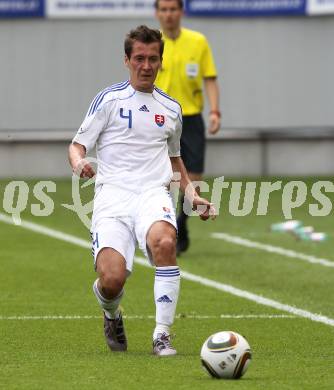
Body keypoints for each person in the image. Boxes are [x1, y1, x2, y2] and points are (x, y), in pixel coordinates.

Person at [68, 25, 215, 356]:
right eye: (139, 58)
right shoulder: (108, 100)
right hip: (112, 197)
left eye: (153, 59)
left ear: (161, 62)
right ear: (126, 60)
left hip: (152, 194)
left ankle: (162, 334)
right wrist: (79, 164)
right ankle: (111, 312)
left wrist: (192, 195)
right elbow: (77, 146)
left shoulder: (172, 109)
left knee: (164, 242)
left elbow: (175, 159)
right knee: (111, 280)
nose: (146, 65)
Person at [155, 0, 220, 255]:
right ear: (157, 13)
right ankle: (168, 226)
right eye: (164, 9)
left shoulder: (198, 42)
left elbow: (210, 79)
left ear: (181, 12)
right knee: (164, 177)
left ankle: (181, 224)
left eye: (173, 9)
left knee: (194, 178)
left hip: (191, 117)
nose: (169, 14)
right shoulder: (152, 43)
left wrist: (215, 111)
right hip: (160, 119)